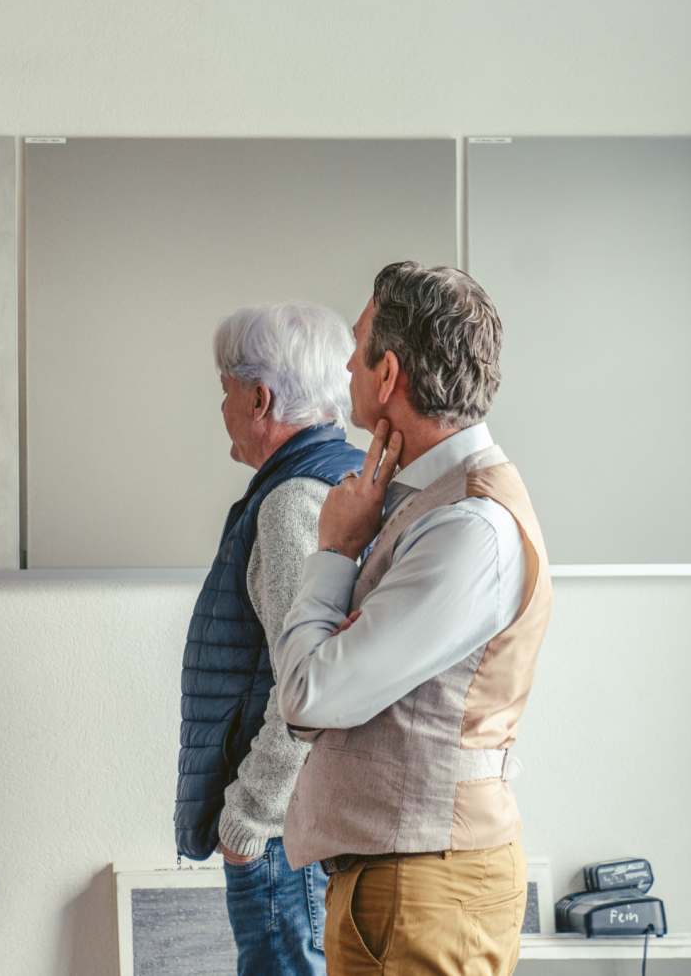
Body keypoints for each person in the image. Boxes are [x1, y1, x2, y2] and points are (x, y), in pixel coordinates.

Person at [274, 262, 551, 975]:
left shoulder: (468, 526)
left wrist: (334, 551)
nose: (345, 362)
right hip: (399, 880)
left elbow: (311, 695)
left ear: (388, 373)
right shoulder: (422, 506)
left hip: (428, 886)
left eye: (357, 342)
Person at [176, 302, 366, 976]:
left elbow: (306, 686)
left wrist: (247, 822)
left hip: (286, 836)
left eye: (224, 386)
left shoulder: (292, 502)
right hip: (312, 825)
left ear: (261, 398)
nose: (220, 404)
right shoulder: (342, 478)